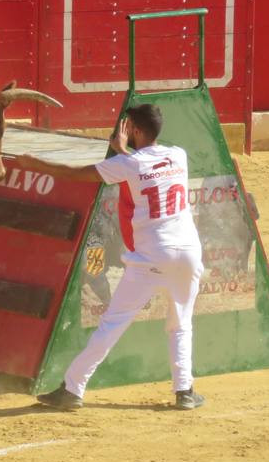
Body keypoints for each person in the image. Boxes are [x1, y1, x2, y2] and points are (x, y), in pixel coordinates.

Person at [24, 105, 207, 412]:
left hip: (150, 257)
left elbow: (75, 174)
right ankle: (184, 391)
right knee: (180, 323)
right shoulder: (178, 155)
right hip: (188, 252)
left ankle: (72, 389)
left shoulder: (129, 165)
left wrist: (35, 164)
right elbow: (144, 166)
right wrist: (123, 150)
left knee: (112, 325)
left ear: (135, 130)